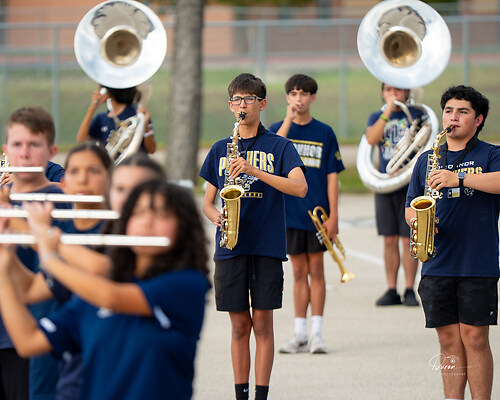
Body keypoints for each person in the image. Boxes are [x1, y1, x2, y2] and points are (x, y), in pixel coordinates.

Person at [0, 180, 210, 400]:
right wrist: (4, 265)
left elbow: (112, 297)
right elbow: (28, 341)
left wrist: (50, 255)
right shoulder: (95, 291)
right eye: (138, 213)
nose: (147, 222)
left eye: (162, 215)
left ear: (183, 227)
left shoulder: (186, 284)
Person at [199, 72, 307, 400]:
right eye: (237, 100)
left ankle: (261, 395)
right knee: (238, 326)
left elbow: (300, 188)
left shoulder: (279, 145)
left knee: (262, 324)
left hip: (266, 245)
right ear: (230, 106)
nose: (242, 105)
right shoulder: (220, 148)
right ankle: (240, 394)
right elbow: (207, 203)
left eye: (249, 99)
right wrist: (215, 215)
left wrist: (254, 170)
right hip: (230, 245)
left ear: (262, 104)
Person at [405, 85, 499, 400]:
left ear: (478, 119)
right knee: (447, 340)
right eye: (448, 111)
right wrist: (418, 222)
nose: (453, 117)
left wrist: (458, 178)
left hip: (477, 262)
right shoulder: (426, 160)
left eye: (462, 112)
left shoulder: (491, 154)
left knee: (475, 338)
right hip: (437, 262)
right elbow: (409, 207)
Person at [269, 74, 344, 354]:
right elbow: (273, 152)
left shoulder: (324, 132)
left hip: (317, 215)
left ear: (312, 98)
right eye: (293, 94)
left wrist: (334, 216)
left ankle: (316, 333)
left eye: (303, 94)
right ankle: (299, 332)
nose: (298, 99)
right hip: (289, 214)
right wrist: (288, 120)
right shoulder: (278, 129)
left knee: (317, 270)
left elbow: (332, 176)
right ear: (287, 98)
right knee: (298, 272)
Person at [0, 106, 70, 400]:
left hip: (34, 331)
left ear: (50, 151)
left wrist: (10, 214)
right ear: (6, 151)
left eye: (34, 145)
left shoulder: (65, 203)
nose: (25, 153)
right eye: (17, 144)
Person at [365, 83, 420, 306]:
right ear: (382, 93)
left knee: (409, 239)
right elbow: (371, 139)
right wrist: (388, 109)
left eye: (398, 89)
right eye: (388, 89)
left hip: (410, 184)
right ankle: (391, 289)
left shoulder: (418, 115)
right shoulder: (376, 116)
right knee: (389, 239)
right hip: (385, 183)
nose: (394, 93)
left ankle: (409, 289)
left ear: (407, 91)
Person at [76, 86, 156, 155]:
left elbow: (151, 150)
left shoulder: (138, 114)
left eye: (100, 88)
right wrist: (92, 108)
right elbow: (81, 139)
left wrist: (145, 125)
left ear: (107, 90)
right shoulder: (101, 118)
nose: (97, 92)